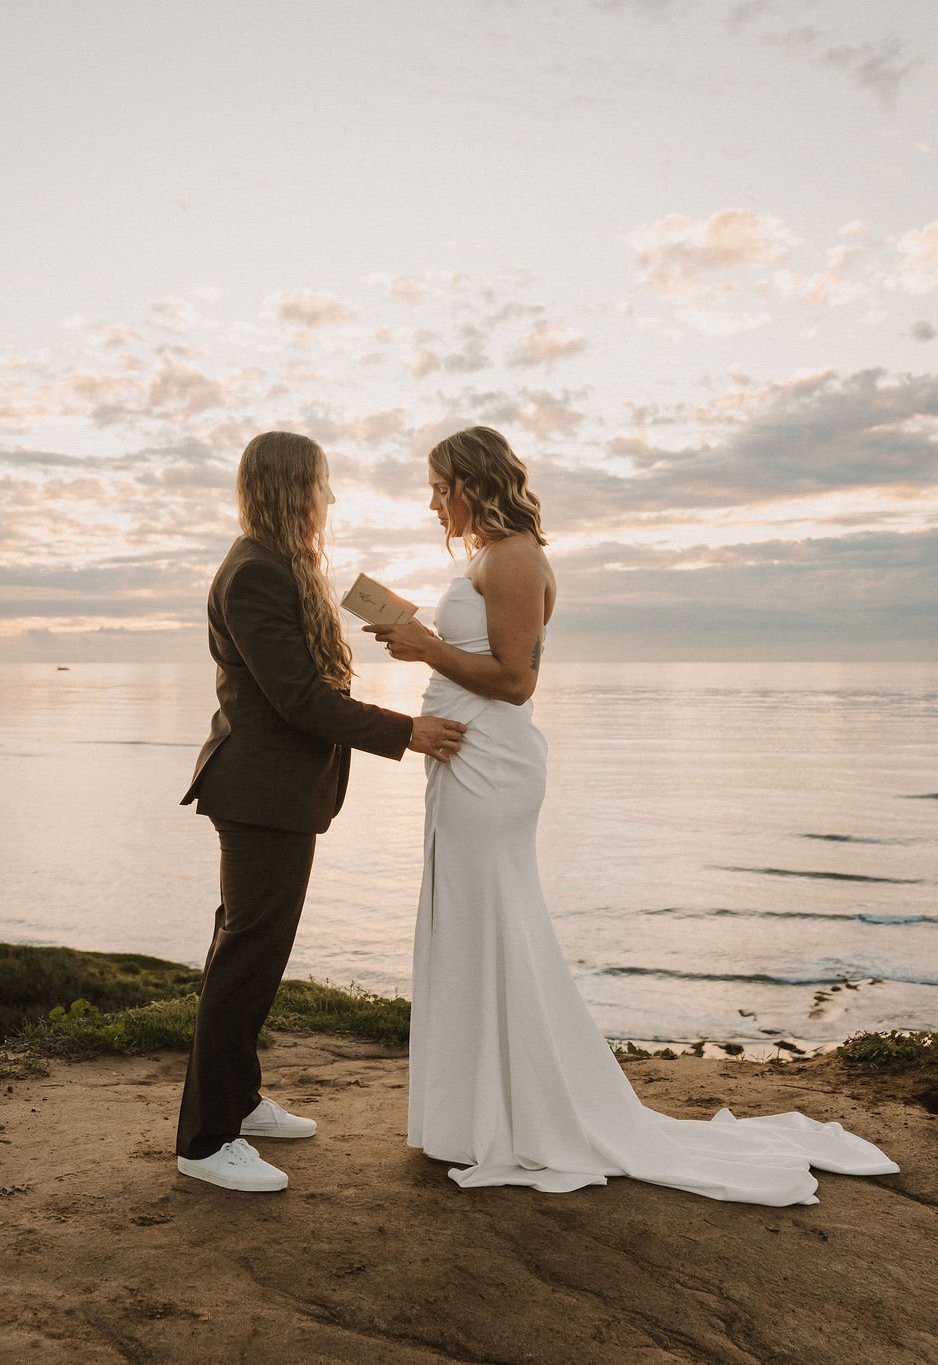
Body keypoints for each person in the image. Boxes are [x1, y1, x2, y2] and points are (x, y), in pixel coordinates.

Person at [365, 426, 899, 1204]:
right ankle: (474, 1113)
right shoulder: (485, 559)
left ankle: (517, 1114)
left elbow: (516, 680)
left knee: (493, 922)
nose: (432, 499)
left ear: (473, 482)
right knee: (472, 923)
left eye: (440, 484)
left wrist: (425, 647)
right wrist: (421, 649)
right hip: (464, 758)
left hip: (491, 763)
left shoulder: (514, 557)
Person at [176, 430, 468, 1193]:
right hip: (259, 794)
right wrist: (408, 731)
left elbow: (303, 682)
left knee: (248, 953)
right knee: (245, 958)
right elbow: (300, 701)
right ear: (289, 488)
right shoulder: (254, 575)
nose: (330, 499)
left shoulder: (282, 567)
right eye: (321, 485)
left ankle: (236, 1101)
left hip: (273, 793)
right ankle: (205, 1143)